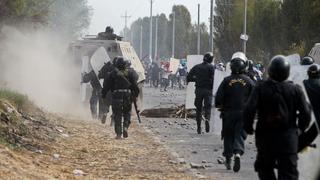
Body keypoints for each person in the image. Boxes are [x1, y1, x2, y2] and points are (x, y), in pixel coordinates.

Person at [244, 55, 311, 180]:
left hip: (265, 138)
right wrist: (300, 129)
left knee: (264, 168)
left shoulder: (260, 88)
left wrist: (248, 128)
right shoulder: (295, 90)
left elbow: (249, 109)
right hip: (288, 139)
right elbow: (306, 113)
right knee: (288, 172)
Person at [215, 52, 254, 172]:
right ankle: (237, 153)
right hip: (244, 113)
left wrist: (219, 105)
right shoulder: (249, 81)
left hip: (228, 113)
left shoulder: (226, 80)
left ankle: (228, 158)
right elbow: (255, 97)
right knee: (240, 134)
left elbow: (218, 97)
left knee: (228, 135)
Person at [102, 57, 139, 139]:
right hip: (127, 95)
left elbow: (106, 86)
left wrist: (103, 95)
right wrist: (136, 94)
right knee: (127, 113)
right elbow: (135, 84)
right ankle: (125, 127)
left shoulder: (112, 73)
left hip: (116, 95)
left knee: (117, 114)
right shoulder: (131, 72)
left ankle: (118, 134)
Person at [187, 52, 215, 134]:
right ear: (211, 59)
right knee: (207, 108)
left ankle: (199, 128)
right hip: (208, 90)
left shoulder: (197, 67)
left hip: (199, 90)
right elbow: (214, 79)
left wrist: (197, 80)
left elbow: (189, 77)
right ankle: (207, 119)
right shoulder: (211, 67)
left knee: (198, 109)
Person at [98, 58, 117, 125]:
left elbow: (99, 75)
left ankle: (105, 113)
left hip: (107, 90)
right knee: (115, 107)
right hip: (116, 91)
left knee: (106, 104)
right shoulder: (120, 70)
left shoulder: (106, 67)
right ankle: (112, 122)